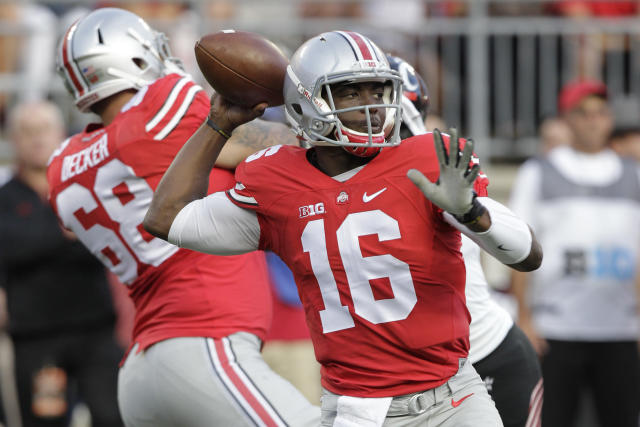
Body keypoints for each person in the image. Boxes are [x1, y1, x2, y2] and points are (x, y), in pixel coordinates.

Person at [145, 30, 542, 426]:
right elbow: (166, 218)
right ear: (306, 102)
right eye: (351, 93)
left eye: (378, 91)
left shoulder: (425, 158)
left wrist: (473, 213)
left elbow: (528, 256)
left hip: (452, 399)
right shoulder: (276, 180)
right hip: (356, 410)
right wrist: (217, 124)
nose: (371, 106)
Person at [47, 8, 319, 427]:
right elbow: (278, 145)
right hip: (203, 340)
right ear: (135, 59)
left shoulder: (62, 166)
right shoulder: (162, 105)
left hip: (141, 368)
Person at [387, 54, 543, 427]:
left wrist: (470, 209)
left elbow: (527, 250)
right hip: (402, 375)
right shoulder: (330, 178)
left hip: (483, 354)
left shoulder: (431, 164)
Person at [509, 79, 640, 427]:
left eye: (601, 113)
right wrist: (525, 316)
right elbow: (520, 246)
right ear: (568, 118)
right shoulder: (538, 171)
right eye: (585, 114)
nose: (594, 121)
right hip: (556, 327)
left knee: (621, 417)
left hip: (619, 328)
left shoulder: (633, 173)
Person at [0, 101, 123, 427]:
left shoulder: (85, 185)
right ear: (12, 138)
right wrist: (68, 230)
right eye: (27, 131)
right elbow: (11, 246)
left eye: (43, 130)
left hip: (95, 329)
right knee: (44, 421)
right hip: (37, 338)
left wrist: (42, 238)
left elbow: (104, 241)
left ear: (60, 134)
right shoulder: (6, 196)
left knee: (112, 416)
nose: (36, 138)